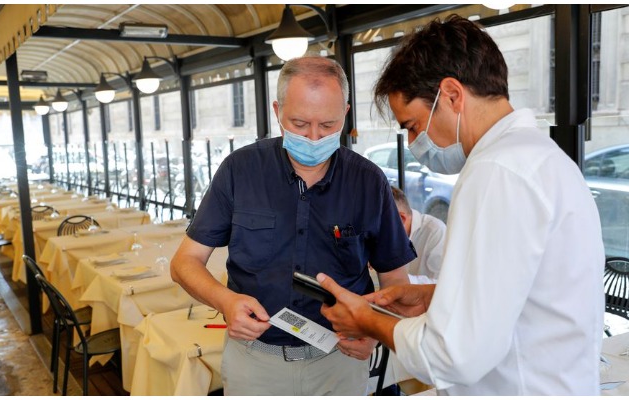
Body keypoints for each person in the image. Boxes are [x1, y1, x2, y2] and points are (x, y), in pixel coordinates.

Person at [316, 15, 605, 395]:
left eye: (414, 126)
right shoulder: (541, 158)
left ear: (451, 95)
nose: (417, 143)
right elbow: (528, 291)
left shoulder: (494, 171)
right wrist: (436, 295)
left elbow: (453, 355)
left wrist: (368, 320)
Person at [170, 55, 416, 396]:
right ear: (277, 111)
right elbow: (184, 262)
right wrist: (226, 301)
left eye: (328, 125)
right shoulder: (239, 170)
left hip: (339, 360)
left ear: (345, 113)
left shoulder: (368, 181)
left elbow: (395, 282)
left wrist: (376, 331)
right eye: (299, 124)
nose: (314, 137)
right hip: (255, 361)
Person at [390, 186, 445, 284]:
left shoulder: (436, 232)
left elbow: (442, 285)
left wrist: (395, 276)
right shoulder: (391, 236)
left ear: (401, 218)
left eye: (380, 225)